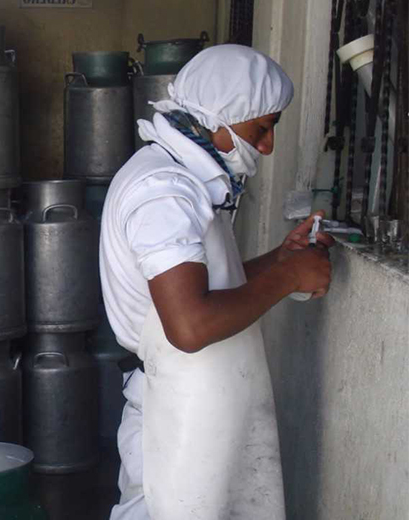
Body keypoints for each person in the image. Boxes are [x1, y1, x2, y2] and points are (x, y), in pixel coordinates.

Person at [100, 45, 333, 520]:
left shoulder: (188, 177)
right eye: (260, 129)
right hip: (176, 417)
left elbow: (205, 290)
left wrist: (279, 260)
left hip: (199, 408)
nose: (267, 146)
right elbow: (189, 325)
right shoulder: (164, 192)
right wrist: (289, 277)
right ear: (217, 119)